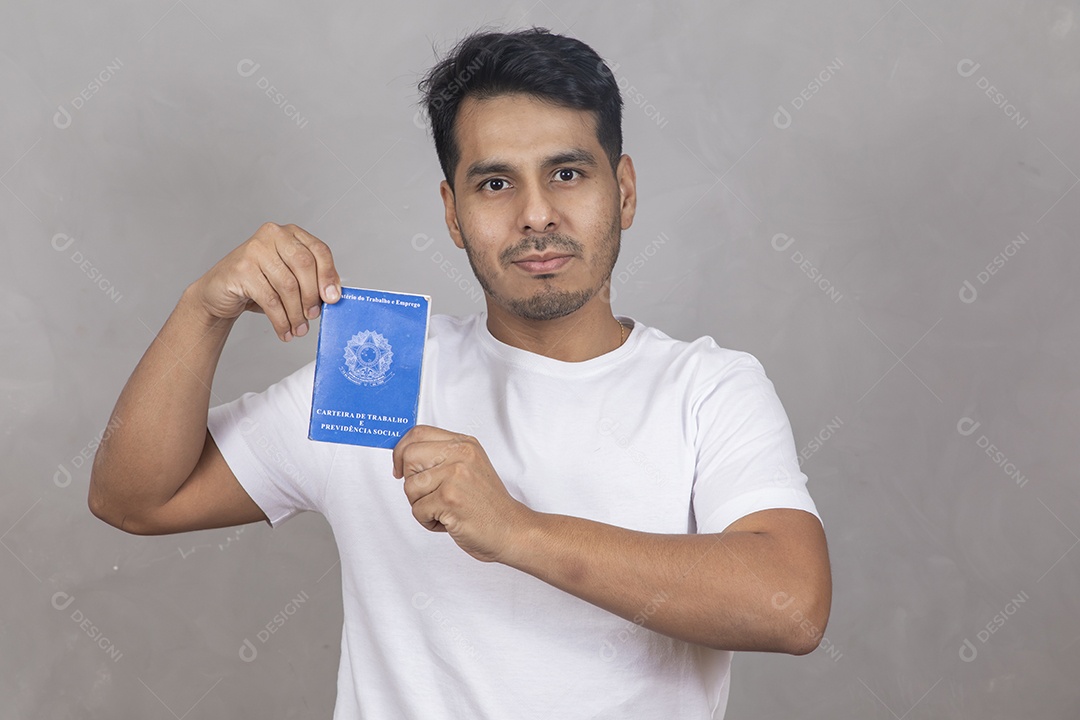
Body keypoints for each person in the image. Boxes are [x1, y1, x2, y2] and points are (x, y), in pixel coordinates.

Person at [89, 26, 831, 720]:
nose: (536, 215)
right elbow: (135, 500)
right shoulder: (380, 377)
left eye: (567, 173)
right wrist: (202, 310)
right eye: (496, 185)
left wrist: (516, 530)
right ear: (451, 212)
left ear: (624, 190)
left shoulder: (708, 389)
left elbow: (790, 604)